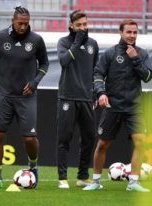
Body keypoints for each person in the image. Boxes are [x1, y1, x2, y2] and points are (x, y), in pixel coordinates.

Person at [0, 6, 49, 189]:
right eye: (20, 23)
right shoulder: (0, 37)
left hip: (26, 96)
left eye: (26, 24)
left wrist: (36, 81)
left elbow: (44, 64)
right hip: (4, 95)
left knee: (29, 138)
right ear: (13, 20)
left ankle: (33, 166)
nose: (23, 27)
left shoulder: (36, 40)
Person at [83, 19, 152, 192]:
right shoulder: (110, 53)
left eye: (135, 32)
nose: (132, 35)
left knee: (140, 143)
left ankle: (133, 182)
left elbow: (147, 77)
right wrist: (101, 93)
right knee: (102, 145)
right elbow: (98, 74)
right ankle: (95, 181)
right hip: (112, 106)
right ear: (121, 32)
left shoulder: (142, 54)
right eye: (129, 32)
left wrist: (135, 59)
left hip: (133, 107)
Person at [56, 10, 99, 189]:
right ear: (71, 26)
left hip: (86, 98)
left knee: (89, 137)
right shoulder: (64, 42)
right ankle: (62, 178)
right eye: (79, 25)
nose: (82, 28)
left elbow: (96, 71)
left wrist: (96, 92)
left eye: (85, 24)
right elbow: (64, 61)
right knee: (64, 138)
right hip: (67, 96)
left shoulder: (93, 44)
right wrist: (77, 42)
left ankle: (82, 176)